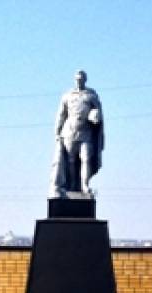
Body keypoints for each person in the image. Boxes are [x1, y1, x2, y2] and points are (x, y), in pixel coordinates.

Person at [50, 70, 104, 198]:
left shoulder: (91, 95)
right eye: (77, 79)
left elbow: (98, 112)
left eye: (81, 79)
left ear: (85, 80)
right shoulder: (67, 96)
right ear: (75, 80)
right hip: (69, 132)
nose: (79, 81)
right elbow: (61, 115)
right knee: (71, 161)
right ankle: (73, 185)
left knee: (86, 158)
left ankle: (84, 185)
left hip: (86, 133)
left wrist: (95, 116)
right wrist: (57, 131)